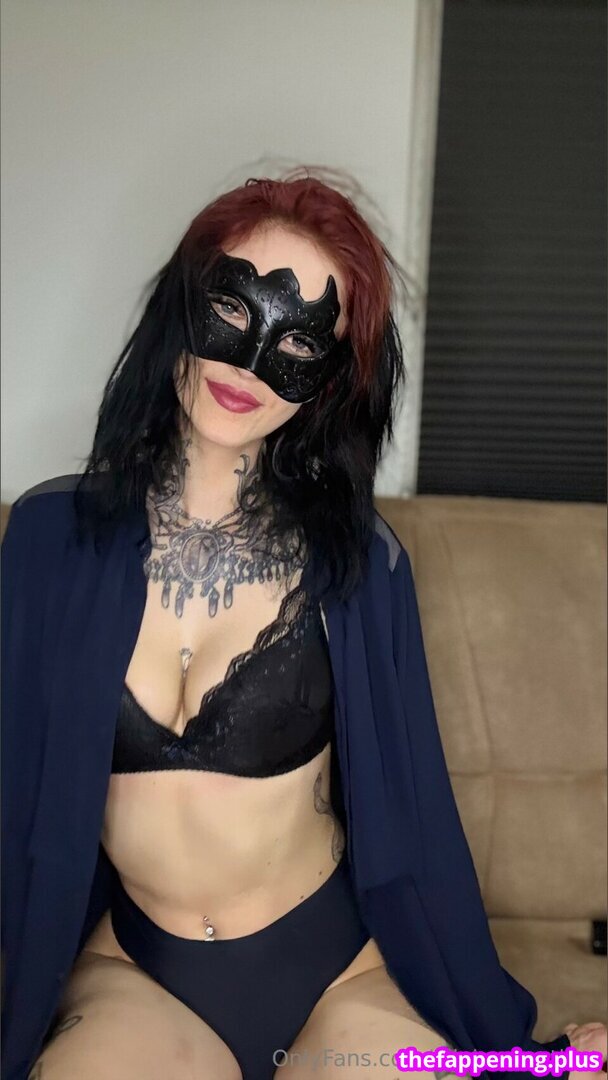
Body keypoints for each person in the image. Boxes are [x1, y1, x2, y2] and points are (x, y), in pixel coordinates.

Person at [2, 170, 605, 1080]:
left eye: (296, 341)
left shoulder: (358, 565)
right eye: (232, 311)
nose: (249, 365)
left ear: (328, 379)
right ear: (184, 303)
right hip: (140, 976)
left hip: (335, 976)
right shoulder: (50, 539)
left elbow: (417, 820)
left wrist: (521, 1052)